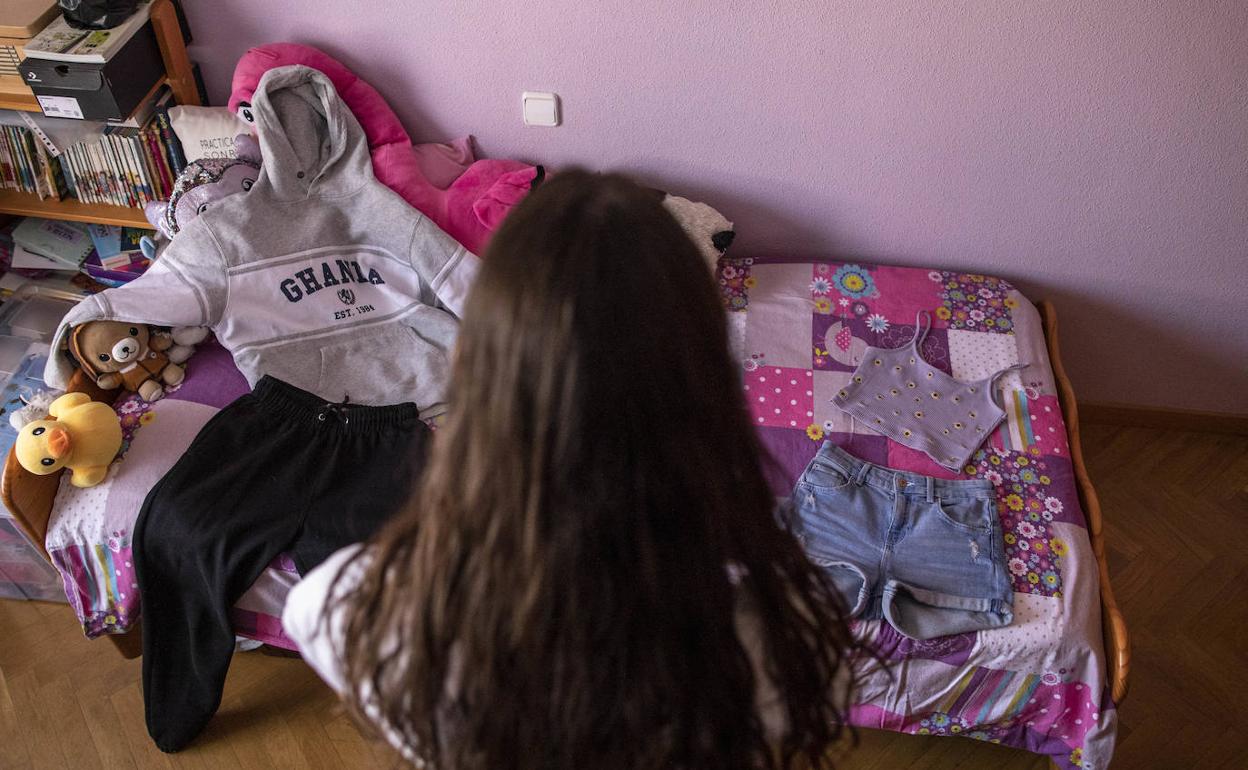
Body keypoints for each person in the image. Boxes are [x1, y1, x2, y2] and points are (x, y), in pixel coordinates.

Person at [283, 170, 859, 769]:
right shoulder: (784, 638)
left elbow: (311, 619)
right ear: (707, 382)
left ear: (473, 367)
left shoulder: (350, 609)